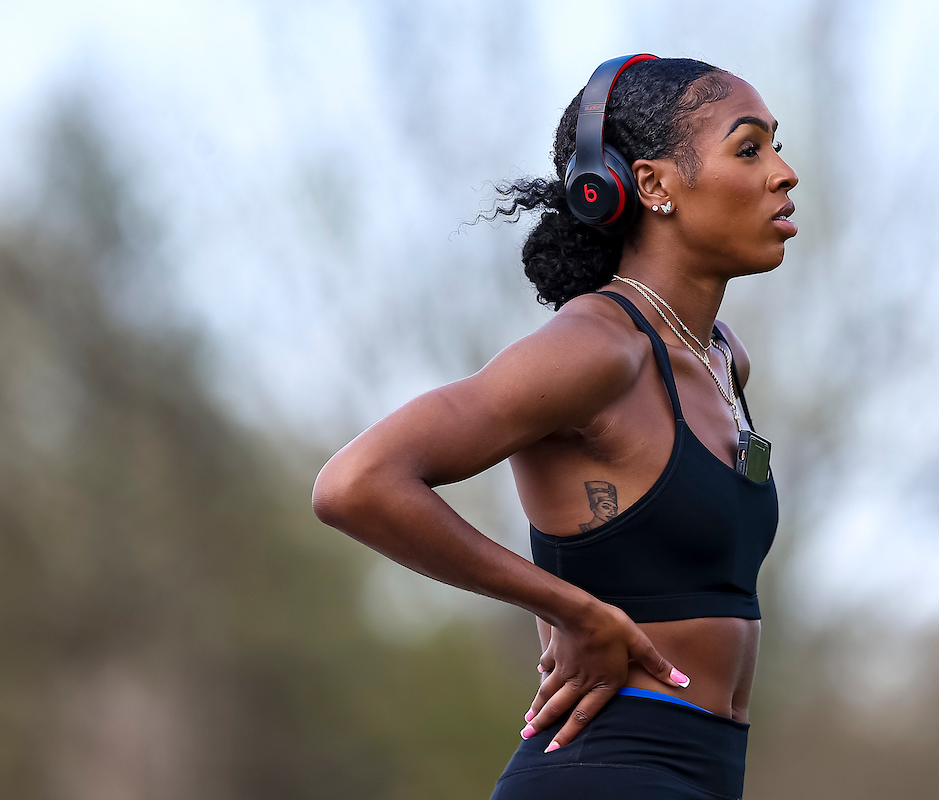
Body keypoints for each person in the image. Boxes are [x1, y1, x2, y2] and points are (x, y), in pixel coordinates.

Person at [311, 54, 797, 799]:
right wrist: (570, 608)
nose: (783, 172)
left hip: (705, 771)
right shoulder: (597, 350)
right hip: (603, 769)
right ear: (654, 185)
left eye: (777, 145)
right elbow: (356, 483)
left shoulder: (724, 360)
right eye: (748, 148)